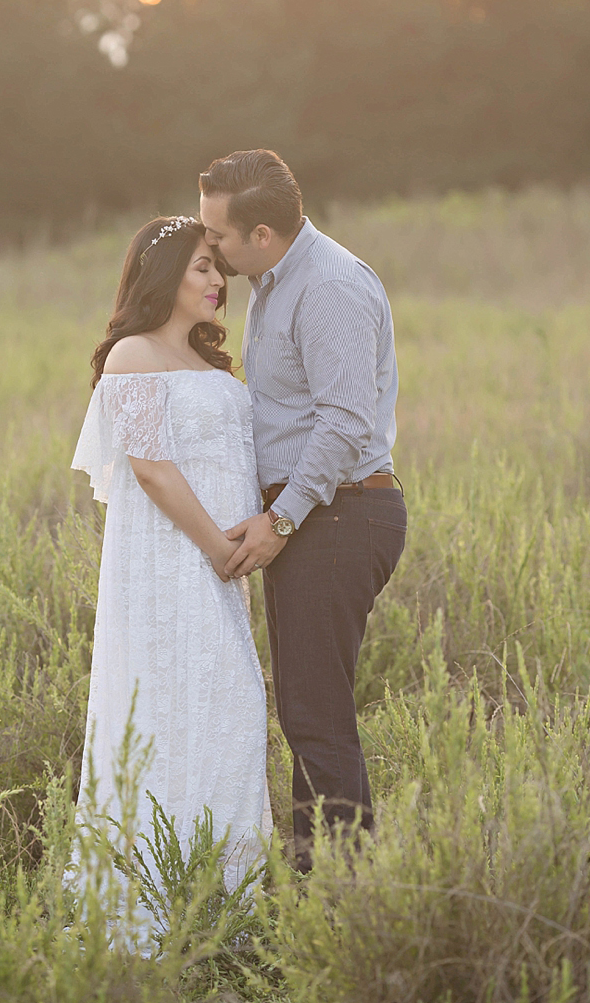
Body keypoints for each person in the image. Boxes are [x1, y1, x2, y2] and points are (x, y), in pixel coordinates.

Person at [198, 149, 405, 871]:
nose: (208, 247)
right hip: (319, 516)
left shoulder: (329, 287)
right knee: (311, 714)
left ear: (260, 234)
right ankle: (346, 887)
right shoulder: (272, 280)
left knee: (316, 719)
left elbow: (344, 425)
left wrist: (281, 520)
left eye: (216, 235)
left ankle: (334, 900)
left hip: (339, 517)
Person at [70, 215, 272, 910]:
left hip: (222, 569)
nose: (219, 281)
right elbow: (152, 471)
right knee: (169, 712)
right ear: (164, 278)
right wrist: (220, 548)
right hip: (170, 567)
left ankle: (224, 900)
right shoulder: (133, 354)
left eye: (219, 268)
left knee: (231, 708)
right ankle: (154, 898)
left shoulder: (210, 364)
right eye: (203, 268)